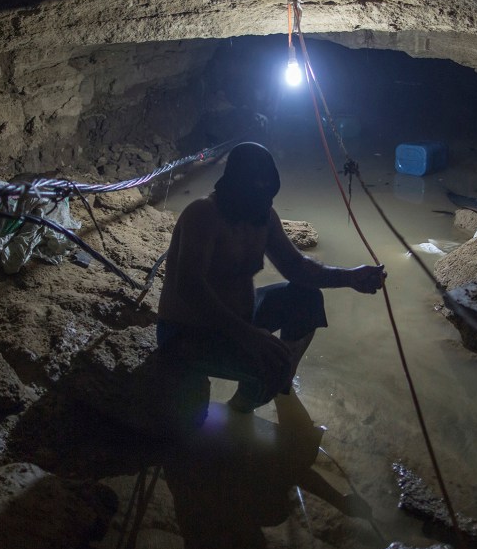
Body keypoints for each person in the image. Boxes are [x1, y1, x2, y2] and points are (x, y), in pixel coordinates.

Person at [156, 142, 385, 414]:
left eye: (270, 197)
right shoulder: (202, 216)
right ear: (233, 188)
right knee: (271, 366)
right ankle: (238, 413)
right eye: (257, 197)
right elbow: (190, 287)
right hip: (189, 331)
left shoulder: (263, 216)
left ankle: (250, 398)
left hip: (243, 320)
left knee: (306, 300)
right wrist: (249, 336)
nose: (266, 205)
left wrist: (350, 277)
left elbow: (297, 267)